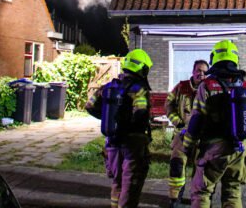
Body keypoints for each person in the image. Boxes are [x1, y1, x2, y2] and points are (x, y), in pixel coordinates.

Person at [182, 40, 246, 208]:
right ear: (235, 58)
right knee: (232, 192)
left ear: (214, 58)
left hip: (213, 149)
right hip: (239, 148)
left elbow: (196, 119)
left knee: (202, 191)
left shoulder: (206, 86)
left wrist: (187, 146)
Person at [85, 49, 153, 208]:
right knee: (130, 186)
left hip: (112, 142)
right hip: (132, 145)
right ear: (143, 68)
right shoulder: (138, 89)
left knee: (117, 182)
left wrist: (111, 119)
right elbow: (141, 113)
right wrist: (130, 126)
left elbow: (89, 105)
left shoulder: (108, 86)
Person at [165, 59, 209, 207]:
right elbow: (168, 104)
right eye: (198, 70)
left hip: (201, 137)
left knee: (201, 169)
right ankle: (175, 198)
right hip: (182, 134)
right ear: (193, 71)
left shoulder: (209, 89)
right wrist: (177, 121)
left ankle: (198, 198)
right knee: (177, 165)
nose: (201, 74)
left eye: (204, 72)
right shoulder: (181, 87)